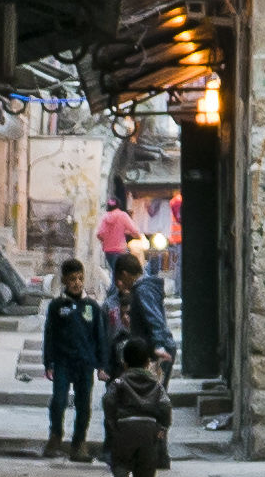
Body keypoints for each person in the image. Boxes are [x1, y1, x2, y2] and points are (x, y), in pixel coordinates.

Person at [40, 258, 103, 463]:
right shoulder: (57, 306)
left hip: (85, 363)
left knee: (84, 404)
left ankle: (79, 443)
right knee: (59, 400)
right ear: (65, 280)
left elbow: (99, 336)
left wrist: (102, 364)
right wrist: (48, 363)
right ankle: (55, 436)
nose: (77, 283)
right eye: (72, 279)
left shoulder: (91, 306)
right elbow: (49, 335)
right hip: (62, 362)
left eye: (80, 278)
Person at [104, 336, 171, 477]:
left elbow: (108, 400)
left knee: (119, 462)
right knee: (145, 471)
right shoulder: (156, 385)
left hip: (124, 428)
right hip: (149, 429)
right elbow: (165, 405)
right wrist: (163, 427)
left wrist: (112, 423)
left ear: (124, 364)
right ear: (148, 362)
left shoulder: (119, 383)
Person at [109, 251, 176, 383]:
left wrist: (159, 346)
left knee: (151, 396)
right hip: (156, 349)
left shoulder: (143, 291)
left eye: (121, 280)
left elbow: (154, 317)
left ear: (125, 274)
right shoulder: (144, 289)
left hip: (158, 351)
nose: (122, 285)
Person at [95, 197, 137, 281]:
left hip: (108, 251)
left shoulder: (105, 217)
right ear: (118, 205)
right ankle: (114, 292)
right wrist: (135, 235)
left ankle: (115, 291)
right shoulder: (122, 215)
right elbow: (134, 230)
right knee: (119, 275)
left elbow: (99, 234)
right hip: (120, 250)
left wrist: (106, 240)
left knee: (115, 272)